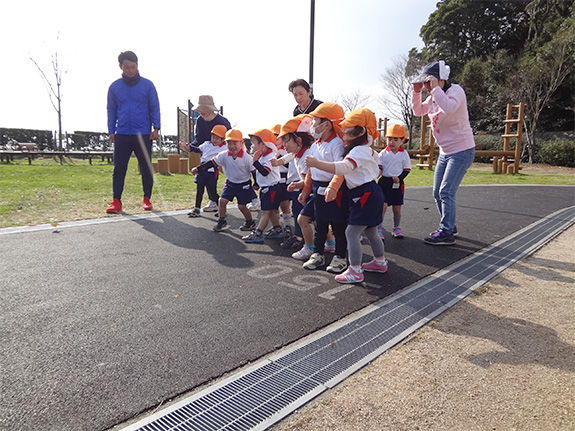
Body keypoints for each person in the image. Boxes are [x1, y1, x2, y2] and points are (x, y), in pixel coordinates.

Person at [305, 108, 387, 283]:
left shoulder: (358, 151)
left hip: (364, 194)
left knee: (351, 232)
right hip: (369, 192)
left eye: (348, 129)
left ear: (360, 131)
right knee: (371, 231)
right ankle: (380, 261)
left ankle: (355, 270)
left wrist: (317, 163)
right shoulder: (366, 150)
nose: (343, 131)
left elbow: (344, 168)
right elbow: (377, 161)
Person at [412, 60, 476, 245]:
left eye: (429, 81)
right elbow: (418, 111)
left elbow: (448, 107)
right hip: (445, 152)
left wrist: (434, 89)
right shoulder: (433, 96)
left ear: (441, 80)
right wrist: (417, 92)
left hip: (462, 150)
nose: (427, 85)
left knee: (446, 191)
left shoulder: (456, 91)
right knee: (436, 192)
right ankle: (449, 224)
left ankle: (446, 232)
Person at [106, 50, 160, 213]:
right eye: (127, 67)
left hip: (143, 133)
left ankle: (147, 198)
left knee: (145, 167)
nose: (130, 70)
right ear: (120, 66)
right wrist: (111, 130)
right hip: (122, 133)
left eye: (133, 66)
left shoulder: (147, 85)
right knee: (119, 168)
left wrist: (156, 127)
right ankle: (116, 201)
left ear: (137, 65)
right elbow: (111, 110)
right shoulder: (114, 87)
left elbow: (154, 106)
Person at [299, 102, 349, 274]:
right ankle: (318, 254)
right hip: (318, 190)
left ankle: (341, 256)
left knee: (338, 225)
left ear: (327, 124)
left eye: (315, 120)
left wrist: (334, 187)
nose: (312, 124)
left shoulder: (337, 144)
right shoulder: (316, 144)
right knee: (320, 224)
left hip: (334, 190)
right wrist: (306, 190)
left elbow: (341, 169)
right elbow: (311, 171)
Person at [191, 129, 256, 232]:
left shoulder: (247, 158)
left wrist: (256, 183)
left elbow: (253, 171)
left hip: (243, 185)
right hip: (230, 183)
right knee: (222, 201)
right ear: (225, 143)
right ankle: (222, 221)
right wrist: (198, 169)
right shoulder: (223, 155)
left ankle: (250, 222)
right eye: (229, 143)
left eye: (235, 143)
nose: (232, 146)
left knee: (242, 206)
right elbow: (211, 163)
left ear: (242, 143)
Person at [191, 95, 232, 212]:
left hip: (223, 153)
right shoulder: (199, 121)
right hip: (207, 154)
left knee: (234, 177)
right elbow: (198, 140)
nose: (202, 113)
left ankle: (251, 199)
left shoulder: (222, 121)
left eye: (205, 110)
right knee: (205, 180)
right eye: (200, 111)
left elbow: (230, 139)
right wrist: (190, 147)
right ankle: (213, 202)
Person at [242, 129, 283, 243]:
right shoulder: (264, 156)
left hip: (270, 189)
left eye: (254, 143)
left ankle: (258, 232)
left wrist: (255, 162)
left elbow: (265, 172)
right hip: (269, 188)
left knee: (265, 212)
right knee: (272, 211)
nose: (253, 146)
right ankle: (277, 229)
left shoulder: (269, 157)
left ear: (263, 144)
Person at [179, 124, 227, 217]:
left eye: (218, 138)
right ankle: (197, 209)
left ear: (223, 139)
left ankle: (221, 208)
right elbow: (196, 149)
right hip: (202, 169)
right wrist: (186, 146)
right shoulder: (207, 144)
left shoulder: (224, 148)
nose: (214, 140)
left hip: (212, 170)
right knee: (199, 189)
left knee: (212, 191)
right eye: (213, 137)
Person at [378, 124, 411, 239]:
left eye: (395, 139)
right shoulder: (383, 153)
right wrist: (378, 172)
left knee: (397, 208)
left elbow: (407, 169)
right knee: (382, 206)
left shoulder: (404, 154)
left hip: (397, 183)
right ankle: (379, 228)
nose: (391, 142)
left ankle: (396, 227)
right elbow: (379, 167)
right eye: (389, 139)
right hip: (384, 183)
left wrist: (400, 178)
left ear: (402, 140)